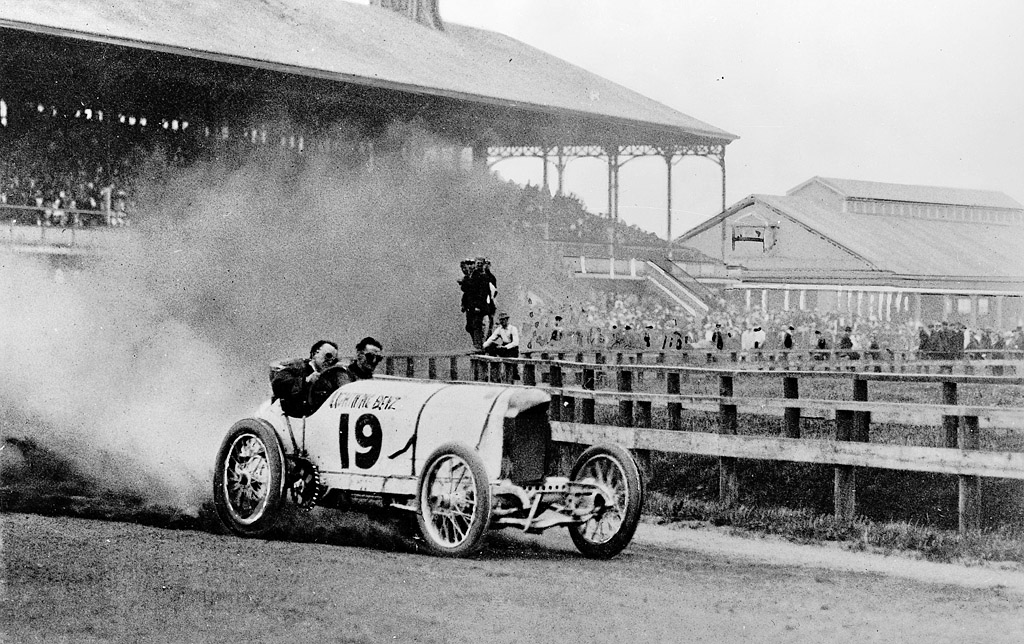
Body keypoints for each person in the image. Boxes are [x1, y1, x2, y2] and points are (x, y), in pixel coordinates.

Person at [270, 340, 342, 417]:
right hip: (295, 419)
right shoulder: (297, 368)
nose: (330, 361)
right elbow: (278, 385)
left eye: (334, 360)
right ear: (315, 353)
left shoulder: (331, 377)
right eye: (328, 356)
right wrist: (306, 381)